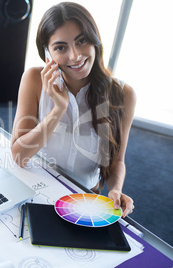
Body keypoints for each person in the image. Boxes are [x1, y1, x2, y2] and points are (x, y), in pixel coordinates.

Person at [11, 2, 135, 217]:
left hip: (84, 197)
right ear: (47, 53)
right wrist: (57, 109)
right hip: (37, 189)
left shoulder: (124, 94)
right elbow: (19, 156)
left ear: (94, 39)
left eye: (82, 41)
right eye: (60, 47)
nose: (75, 55)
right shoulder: (33, 79)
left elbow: (117, 161)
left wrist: (115, 189)